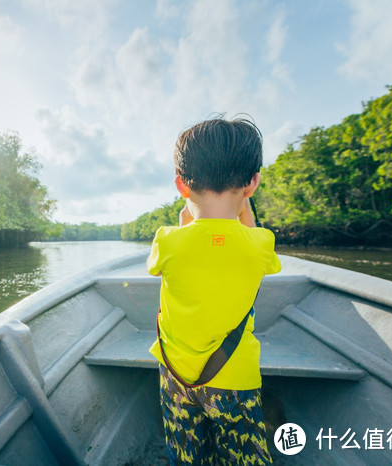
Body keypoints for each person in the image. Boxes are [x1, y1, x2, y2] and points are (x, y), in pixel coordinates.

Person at [147, 116, 281, 465]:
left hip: (176, 377)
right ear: (252, 183)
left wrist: (189, 217)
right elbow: (247, 239)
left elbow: (178, 251)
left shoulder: (167, 240)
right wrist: (242, 208)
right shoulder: (260, 244)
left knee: (186, 457)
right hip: (234, 379)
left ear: (181, 185)